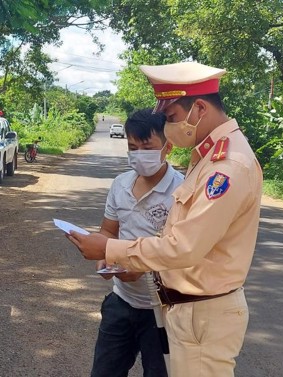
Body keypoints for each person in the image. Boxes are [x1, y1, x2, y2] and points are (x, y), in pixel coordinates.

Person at [67, 61, 263, 377]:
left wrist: (111, 250)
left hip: (203, 312)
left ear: (199, 108)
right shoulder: (209, 157)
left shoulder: (228, 166)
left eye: (171, 118)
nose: (169, 125)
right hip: (186, 309)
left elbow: (182, 247)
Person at [91, 109, 183, 377]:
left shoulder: (182, 191)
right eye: (133, 147)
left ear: (168, 147)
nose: (139, 154)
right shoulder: (120, 185)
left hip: (163, 309)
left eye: (147, 147)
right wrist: (104, 257)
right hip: (121, 302)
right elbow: (108, 231)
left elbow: (182, 251)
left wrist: (142, 266)